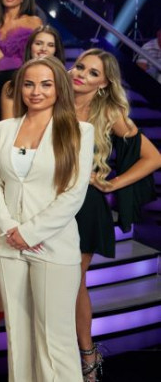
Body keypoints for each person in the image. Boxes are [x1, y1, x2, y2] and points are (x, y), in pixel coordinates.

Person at [0, 56, 94, 382]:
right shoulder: (4, 129)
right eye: (29, 84)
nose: (36, 92)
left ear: (59, 88)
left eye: (46, 84)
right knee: (18, 337)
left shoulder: (79, 131)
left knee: (55, 340)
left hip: (53, 244)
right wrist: (10, 228)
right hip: (8, 244)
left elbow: (74, 193)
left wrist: (30, 232)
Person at [68, 49, 161, 381]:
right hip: (48, 203)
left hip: (86, 208)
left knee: (72, 281)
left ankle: (86, 353)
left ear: (105, 83)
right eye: (80, 66)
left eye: (93, 73)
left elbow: (153, 157)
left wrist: (113, 183)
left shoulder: (109, 114)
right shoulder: (53, 100)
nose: (82, 74)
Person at [1, 25, 65, 120]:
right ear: (30, 47)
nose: (44, 49)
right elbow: (7, 125)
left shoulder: (65, 84)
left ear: (56, 50)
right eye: (38, 43)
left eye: (50, 45)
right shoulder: (12, 86)